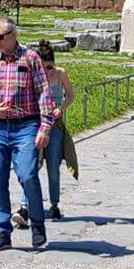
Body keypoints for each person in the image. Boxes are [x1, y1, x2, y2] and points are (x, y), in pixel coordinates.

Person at [0, 17, 55, 252]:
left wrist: (45, 127)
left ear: (13, 35)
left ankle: (38, 224)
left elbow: (44, 93)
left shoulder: (30, 58)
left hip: (26, 126)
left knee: (28, 174)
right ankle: (2, 232)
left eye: (0, 37)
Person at [35, 41, 75, 220]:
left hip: (55, 125)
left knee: (53, 166)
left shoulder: (60, 74)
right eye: (44, 68)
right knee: (32, 165)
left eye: (49, 67)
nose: (47, 72)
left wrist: (62, 107)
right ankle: (26, 204)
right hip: (36, 125)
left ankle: (54, 203)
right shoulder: (33, 75)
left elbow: (71, 95)